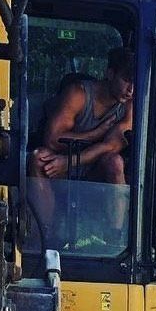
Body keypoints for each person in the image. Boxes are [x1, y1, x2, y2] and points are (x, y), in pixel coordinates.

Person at [29, 46, 135, 235]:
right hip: (61, 168)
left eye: (135, 83)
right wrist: (95, 134)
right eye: (126, 80)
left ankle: (116, 235)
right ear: (110, 74)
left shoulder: (129, 107)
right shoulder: (78, 94)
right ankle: (44, 233)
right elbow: (52, 139)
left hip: (93, 170)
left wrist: (69, 161)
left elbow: (110, 146)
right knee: (39, 157)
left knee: (116, 162)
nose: (131, 90)